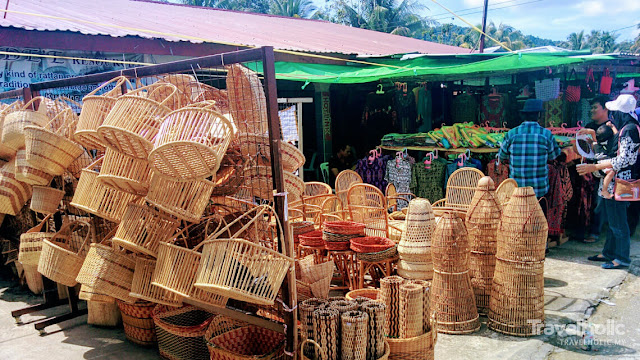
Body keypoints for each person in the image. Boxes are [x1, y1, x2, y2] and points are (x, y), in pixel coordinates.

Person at [577, 94, 639, 269]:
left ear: (621, 113)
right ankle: (609, 253)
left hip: (619, 183)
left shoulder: (629, 130)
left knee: (619, 224)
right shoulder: (626, 128)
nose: (612, 116)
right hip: (614, 183)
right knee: (613, 223)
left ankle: (621, 259)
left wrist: (596, 167)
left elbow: (625, 159)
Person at [499, 99, 562, 198]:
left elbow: (502, 156)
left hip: (517, 190)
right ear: (539, 115)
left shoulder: (511, 134)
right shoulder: (546, 134)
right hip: (539, 190)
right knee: (540, 213)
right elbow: (553, 156)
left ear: (524, 115)